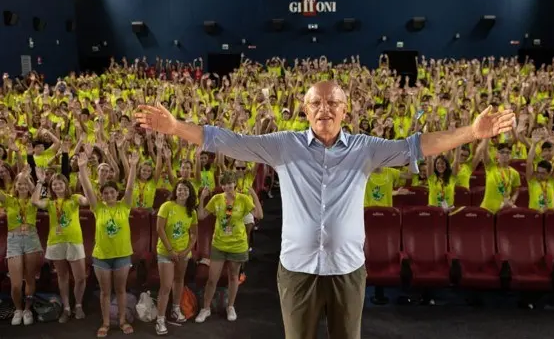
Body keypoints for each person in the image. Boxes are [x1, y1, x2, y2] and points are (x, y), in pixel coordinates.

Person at [136, 80, 515, 339]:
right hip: (297, 271)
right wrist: (174, 128)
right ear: (305, 109)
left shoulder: (365, 148)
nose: (325, 109)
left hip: (347, 272)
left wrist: (471, 132)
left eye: (333, 102)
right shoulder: (284, 145)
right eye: (316, 102)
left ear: (345, 109)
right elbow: (226, 140)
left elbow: (416, 146)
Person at [78, 151, 138, 338]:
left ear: (116, 194)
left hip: (122, 255)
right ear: (102, 195)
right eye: (106, 192)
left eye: (112, 192)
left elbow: (129, 189)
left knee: (120, 290)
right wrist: (82, 169)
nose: (109, 194)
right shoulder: (98, 208)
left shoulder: (124, 205)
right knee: (105, 292)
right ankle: (105, 323)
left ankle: (121, 321)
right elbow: (88, 190)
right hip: (102, 257)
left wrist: (133, 166)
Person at [195, 171, 263, 323]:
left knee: (233, 277)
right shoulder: (216, 199)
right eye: (224, 184)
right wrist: (201, 198)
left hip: (237, 245)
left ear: (235, 184)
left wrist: (254, 195)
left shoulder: (244, 199)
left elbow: (259, 215)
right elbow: (201, 216)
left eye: (230, 184)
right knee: (212, 279)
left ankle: (230, 306)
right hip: (219, 244)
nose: (227, 187)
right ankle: (205, 308)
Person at [31, 172, 90, 323]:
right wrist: (40, 182)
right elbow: (35, 202)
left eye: (60, 183)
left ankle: (78, 304)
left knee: (80, 278)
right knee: (62, 276)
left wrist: (85, 179)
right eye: (54, 184)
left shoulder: (74, 198)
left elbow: (87, 200)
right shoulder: (50, 202)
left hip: (74, 241)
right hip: (56, 242)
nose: (57, 186)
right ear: (51, 187)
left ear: (66, 184)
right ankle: (66, 308)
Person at [154, 179, 198, 335]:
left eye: (185, 190)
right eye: (180, 189)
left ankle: (175, 309)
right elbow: (159, 229)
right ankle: (160, 320)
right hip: (166, 252)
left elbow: (194, 234)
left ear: (190, 193)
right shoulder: (167, 206)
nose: (182, 192)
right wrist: (171, 250)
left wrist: (186, 251)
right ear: (175, 191)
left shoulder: (191, 211)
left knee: (179, 280)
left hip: (183, 253)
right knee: (165, 286)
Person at [0, 170, 42, 326]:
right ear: (15, 186)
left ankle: (27, 309)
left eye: (25, 183)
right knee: (16, 284)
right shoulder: (9, 200)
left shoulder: (34, 200)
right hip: (14, 241)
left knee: (30, 279)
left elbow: (41, 192)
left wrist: (36, 181)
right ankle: (18, 309)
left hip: (31, 240)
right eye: (20, 183)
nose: (23, 186)